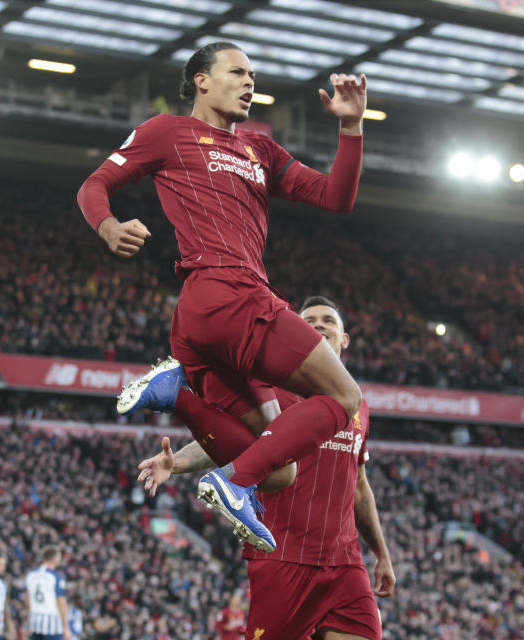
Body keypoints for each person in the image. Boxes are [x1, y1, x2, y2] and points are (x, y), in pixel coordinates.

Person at [78, 41, 368, 551]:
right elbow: (95, 184)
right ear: (202, 80)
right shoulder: (166, 131)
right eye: (238, 72)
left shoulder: (262, 150)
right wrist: (107, 227)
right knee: (345, 397)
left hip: (202, 319)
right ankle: (232, 483)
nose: (250, 82)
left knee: (279, 471)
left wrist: (350, 128)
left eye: (254, 74)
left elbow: (337, 198)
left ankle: (177, 394)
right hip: (229, 292)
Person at [137, 297, 395, 640]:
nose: (318, 325)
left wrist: (381, 553)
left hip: (345, 563)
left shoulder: (358, 404)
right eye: (309, 322)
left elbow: (359, 486)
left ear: (344, 339)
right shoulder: (276, 394)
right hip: (283, 558)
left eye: (328, 321)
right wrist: (178, 463)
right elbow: (232, 443)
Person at [23, 546, 70, 640]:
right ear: (55, 558)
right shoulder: (56, 576)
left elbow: (26, 599)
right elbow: (61, 602)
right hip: (52, 623)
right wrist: (65, 627)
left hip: (35, 621)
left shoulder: (30, 574)